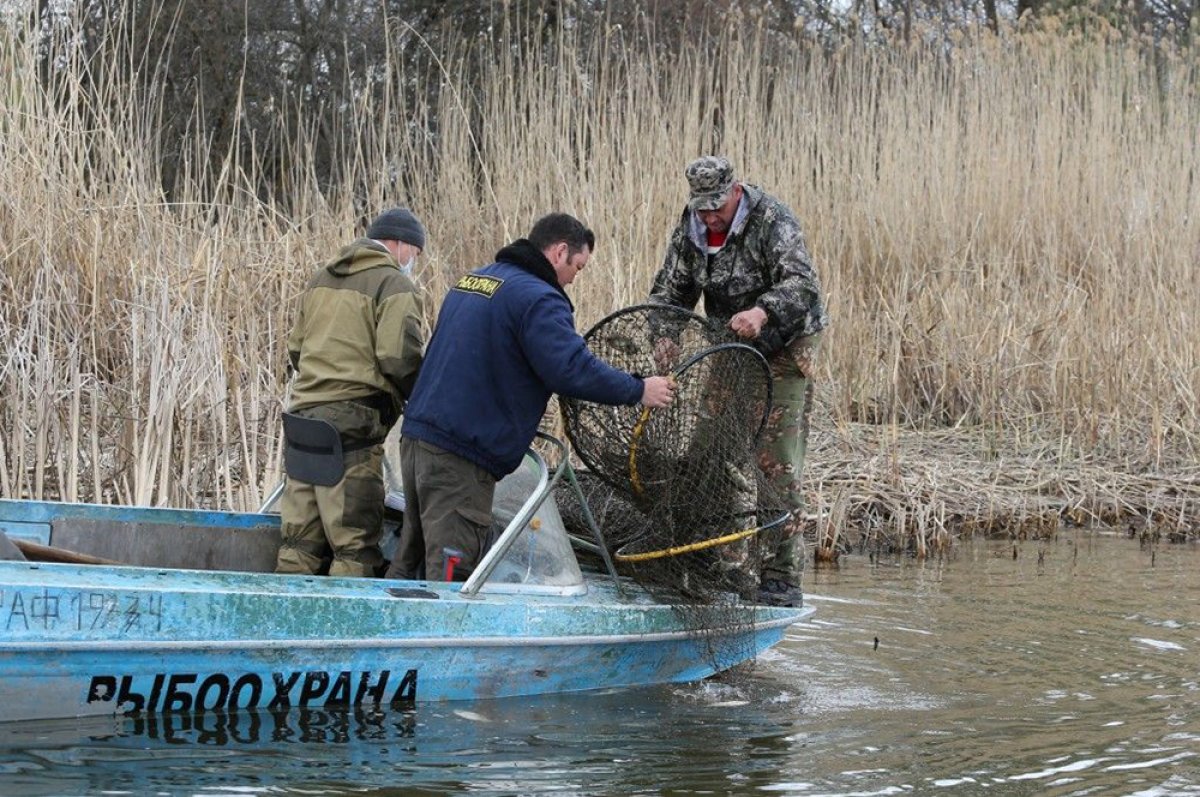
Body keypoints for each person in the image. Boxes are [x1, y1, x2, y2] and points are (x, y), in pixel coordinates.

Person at [386, 213, 675, 582]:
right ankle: (447, 639)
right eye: (578, 267)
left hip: (417, 440)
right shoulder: (540, 299)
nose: (574, 278)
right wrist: (639, 389)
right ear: (559, 252)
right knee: (451, 571)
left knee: (410, 557)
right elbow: (570, 368)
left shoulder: (475, 279)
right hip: (460, 456)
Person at [648, 156, 829, 607]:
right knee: (707, 451)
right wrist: (664, 334)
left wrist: (763, 311)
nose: (710, 216)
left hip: (785, 347)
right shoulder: (691, 227)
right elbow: (671, 290)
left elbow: (803, 284)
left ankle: (780, 576)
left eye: (716, 207)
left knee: (775, 463)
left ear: (736, 191)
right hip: (730, 345)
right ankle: (709, 556)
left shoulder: (773, 219)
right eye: (702, 208)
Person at [276, 207, 427, 578]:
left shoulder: (319, 279)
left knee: (297, 543)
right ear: (399, 244)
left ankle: (282, 627)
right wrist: (420, 398)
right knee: (354, 547)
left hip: (303, 417)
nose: (415, 262)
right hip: (353, 425)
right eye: (416, 253)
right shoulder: (394, 285)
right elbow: (397, 357)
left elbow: (296, 350)